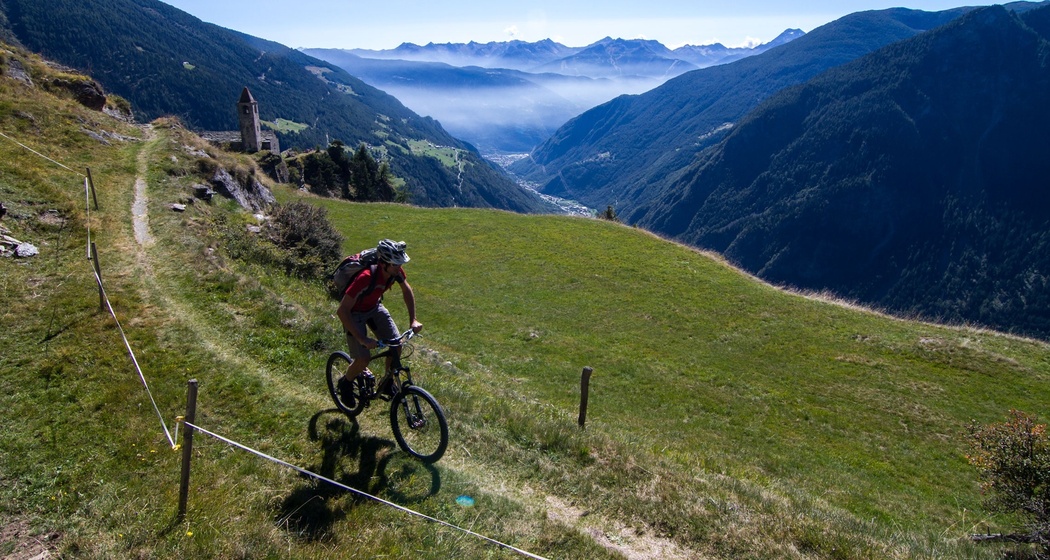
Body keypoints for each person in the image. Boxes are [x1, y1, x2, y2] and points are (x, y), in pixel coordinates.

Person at [336, 239, 423, 405]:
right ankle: (345, 383)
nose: (399, 268)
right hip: (354, 314)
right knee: (363, 359)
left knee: (397, 345)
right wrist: (362, 339)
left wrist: (413, 320)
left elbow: (407, 290)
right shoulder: (365, 278)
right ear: (383, 263)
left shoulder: (395, 272)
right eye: (395, 264)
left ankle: (388, 382)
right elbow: (342, 311)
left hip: (374, 308)